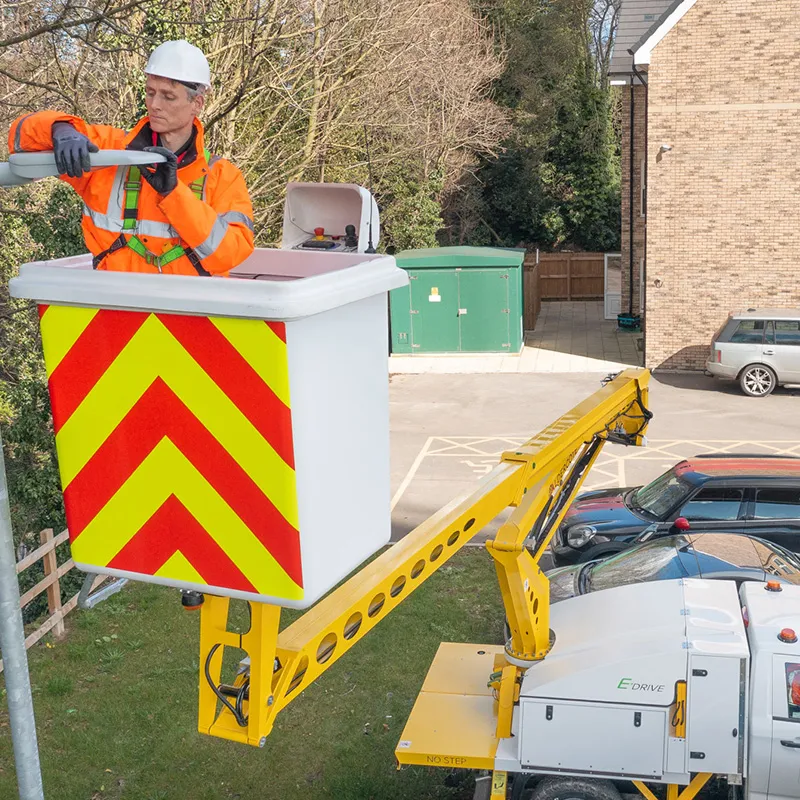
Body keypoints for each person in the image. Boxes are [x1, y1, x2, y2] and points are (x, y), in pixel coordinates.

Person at [7, 40, 254, 276]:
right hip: (118, 308)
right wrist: (59, 128)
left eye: (168, 96)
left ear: (196, 103)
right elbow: (21, 136)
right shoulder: (109, 151)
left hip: (189, 313)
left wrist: (174, 195)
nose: (154, 104)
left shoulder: (222, 176)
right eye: (150, 92)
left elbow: (230, 254)